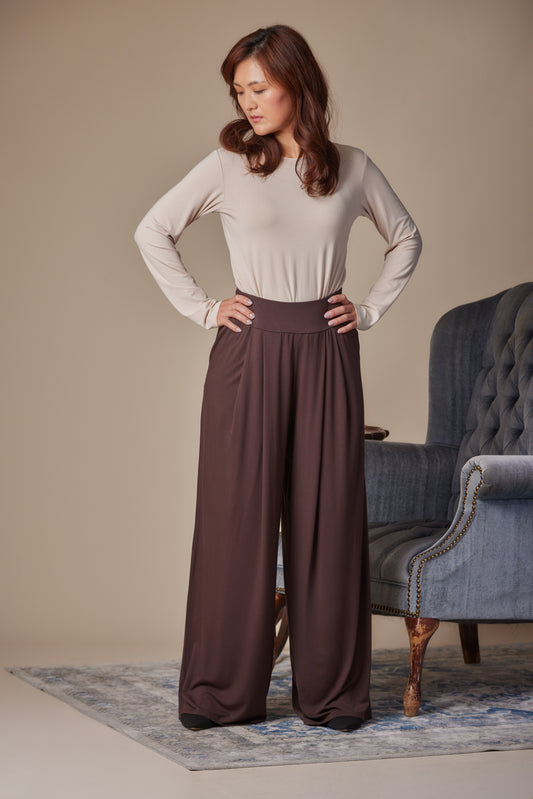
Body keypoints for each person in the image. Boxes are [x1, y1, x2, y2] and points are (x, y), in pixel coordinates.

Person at [133, 24, 422, 733]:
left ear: (297, 82)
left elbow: (406, 237)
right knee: (237, 521)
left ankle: (331, 697)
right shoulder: (230, 163)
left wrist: (371, 307)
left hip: (327, 349)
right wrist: (206, 309)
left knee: (327, 520)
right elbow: (152, 229)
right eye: (238, 90)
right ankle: (220, 694)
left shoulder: (351, 165)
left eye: (258, 86)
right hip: (248, 349)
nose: (247, 101)